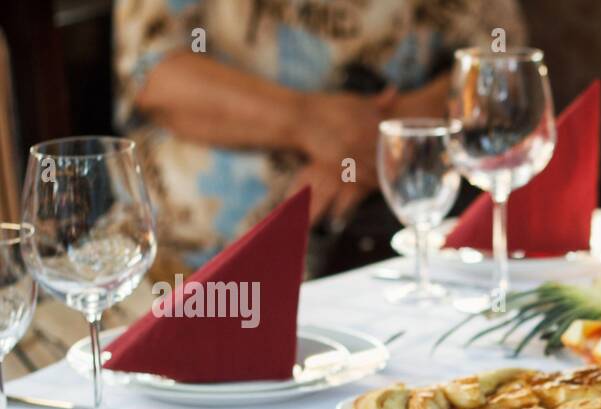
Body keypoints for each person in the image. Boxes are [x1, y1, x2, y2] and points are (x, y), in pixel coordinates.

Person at [113, 0, 524, 274]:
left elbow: (503, 67)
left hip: (390, 238)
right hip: (183, 253)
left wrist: (382, 140)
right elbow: (152, 75)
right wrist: (314, 123)